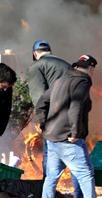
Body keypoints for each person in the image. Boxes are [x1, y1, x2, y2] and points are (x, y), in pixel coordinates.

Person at [36, 54, 99, 198]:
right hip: (68, 139)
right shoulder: (82, 82)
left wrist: (45, 126)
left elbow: (41, 103)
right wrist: (75, 133)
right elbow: (75, 107)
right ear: (91, 69)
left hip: (52, 138)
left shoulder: (59, 81)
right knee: (85, 173)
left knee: (51, 177)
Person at [28, 40, 72, 179]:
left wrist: (43, 123)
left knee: (50, 161)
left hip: (54, 119)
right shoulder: (67, 65)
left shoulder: (37, 66)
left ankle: (48, 197)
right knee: (74, 160)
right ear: (50, 51)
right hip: (72, 118)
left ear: (35, 54)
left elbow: (39, 98)